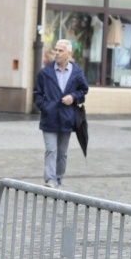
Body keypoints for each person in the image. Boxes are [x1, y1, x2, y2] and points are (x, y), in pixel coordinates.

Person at [33, 39, 89, 189]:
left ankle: (58, 178)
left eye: (60, 50)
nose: (57, 53)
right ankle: (50, 179)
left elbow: (83, 91)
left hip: (66, 118)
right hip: (49, 118)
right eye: (56, 50)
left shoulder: (76, 72)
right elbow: (37, 93)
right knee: (51, 149)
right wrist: (45, 107)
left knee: (62, 153)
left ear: (68, 53)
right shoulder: (45, 73)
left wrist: (73, 97)